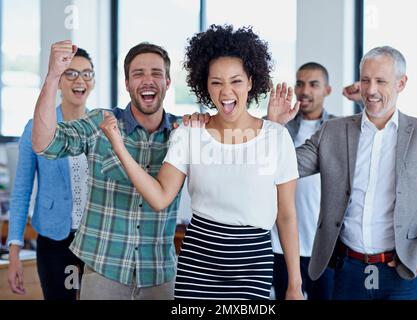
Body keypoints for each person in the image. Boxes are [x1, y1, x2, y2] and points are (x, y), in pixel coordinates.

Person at [100, 24, 304, 300]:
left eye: (236, 81)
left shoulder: (277, 138)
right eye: (216, 82)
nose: (226, 91)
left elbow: (287, 215)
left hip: (252, 264)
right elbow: (160, 198)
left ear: (251, 82)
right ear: (205, 85)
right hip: (198, 263)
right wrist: (118, 145)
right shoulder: (189, 134)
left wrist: (294, 285)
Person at [268, 46, 417, 300]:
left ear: (401, 83)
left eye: (381, 81)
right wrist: (275, 128)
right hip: (347, 270)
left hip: (402, 273)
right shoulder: (333, 131)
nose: (371, 89)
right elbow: (285, 167)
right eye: (365, 80)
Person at [31, 40, 188, 300]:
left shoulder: (182, 133)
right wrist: (52, 77)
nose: (148, 80)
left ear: (168, 82)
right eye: (138, 74)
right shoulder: (99, 123)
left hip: (160, 274)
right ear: (126, 83)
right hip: (104, 272)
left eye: (156, 73)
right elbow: (43, 142)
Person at [7, 48, 94, 300]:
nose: (80, 80)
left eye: (87, 73)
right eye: (71, 73)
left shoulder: (102, 126)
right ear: (58, 81)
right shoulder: (36, 127)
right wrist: (14, 251)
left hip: (96, 239)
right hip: (54, 241)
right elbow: (22, 191)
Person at [270, 62, 335, 300]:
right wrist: (273, 122)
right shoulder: (278, 127)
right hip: (281, 245)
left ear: (327, 90)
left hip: (323, 248)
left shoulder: (338, 128)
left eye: (313, 84)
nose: (305, 90)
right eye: (300, 83)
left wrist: (362, 99)